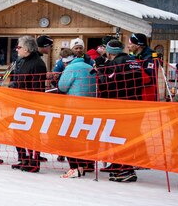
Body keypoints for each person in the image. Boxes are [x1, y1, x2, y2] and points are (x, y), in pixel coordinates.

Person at [98, 39, 143, 182]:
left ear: (110, 52)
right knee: (128, 137)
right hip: (134, 103)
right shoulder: (133, 61)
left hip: (119, 105)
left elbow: (108, 84)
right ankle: (120, 165)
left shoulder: (115, 63)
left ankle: (125, 169)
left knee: (119, 137)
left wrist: (100, 72)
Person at [58, 50, 98, 178]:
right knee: (84, 137)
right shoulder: (89, 66)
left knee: (70, 137)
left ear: (65, 61)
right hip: (90, 106)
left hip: (74, 107)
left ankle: (74, 167)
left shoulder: (71, 68)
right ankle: (85, 164)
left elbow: (62, 86)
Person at [10, 35, 47, 172]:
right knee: (18, 132)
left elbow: (37, 88)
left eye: (19, 47)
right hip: (20, 102)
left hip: (31, 104)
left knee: (32, 134)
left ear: (26, 49)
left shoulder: (37, 64)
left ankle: (34, 161)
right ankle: (24, 158)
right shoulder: (23, 61)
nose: (17, 49)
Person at [127, 32, 158, 102]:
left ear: (138, 45)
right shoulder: (135, 56)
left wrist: (134, 67)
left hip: (146, 96)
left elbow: (148, 79)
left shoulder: (150, 58)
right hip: (136, 94)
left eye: (130, 44)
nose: (128, 46)